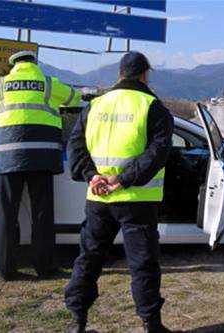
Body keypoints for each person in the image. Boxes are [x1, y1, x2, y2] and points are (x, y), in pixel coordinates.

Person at [64, 52, 174, 333]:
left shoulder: (94, 105)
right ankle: (152, 324)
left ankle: (78, 321)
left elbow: (75, 148)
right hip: (137, 201)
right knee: (143, 264)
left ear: (120, 73)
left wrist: (92, 177)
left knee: (89, 258)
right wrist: (123, 180)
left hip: (99, 199)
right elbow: (158, 152)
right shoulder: (152, 106)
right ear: (145, 74)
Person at [0, 50, 82, 280]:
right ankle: (44, 267)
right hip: (41, 156)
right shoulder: (49, 84)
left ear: (13, 65)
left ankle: (5, 269)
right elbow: (75, 98)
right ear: (35, 63)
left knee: (6, 213)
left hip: (8, 157)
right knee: (42, 214)